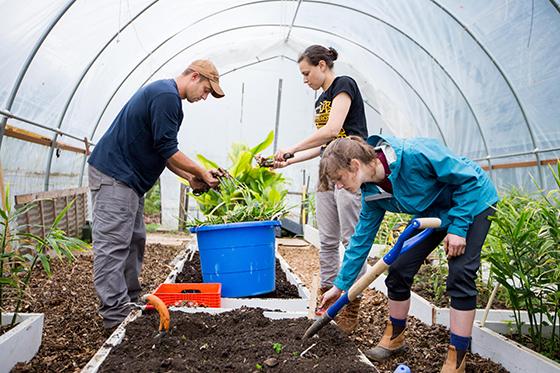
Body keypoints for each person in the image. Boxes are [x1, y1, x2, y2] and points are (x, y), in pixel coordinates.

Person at [318, 135, 498, 373]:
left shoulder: (415, 154)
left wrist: (458, 227)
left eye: (339, 178)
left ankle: (457, 358)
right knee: (400, 268)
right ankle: (395, 337)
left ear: (355, 165)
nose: (338, 186)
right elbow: (361, 240)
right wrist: (340, 286)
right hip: (435, 213)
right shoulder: (372, 192)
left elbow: (470, 180)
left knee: (461, 272)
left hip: (473, 203)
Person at [87, 59, 224, 330]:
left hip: (129, 181)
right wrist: (201, 170)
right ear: (195, 77)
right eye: (207, 90)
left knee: (134, 240)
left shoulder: (169, 99)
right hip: (115, 175)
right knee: (113, 245)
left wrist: (190, 178)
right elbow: (169, 148)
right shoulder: (166, 96)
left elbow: (163, 153)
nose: (205, 97)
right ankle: (115, 315)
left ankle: (129, 300)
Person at [273, 45, 369, 333]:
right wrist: (288, 160)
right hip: (328, 170)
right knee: (327, 239)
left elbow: (332, 130)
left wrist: (291, 146)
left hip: (350, 168)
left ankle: (352, 303)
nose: (305, 80)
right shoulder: (320, 101)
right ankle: (329, 299)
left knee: (351, 239)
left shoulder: (344, 85)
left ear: (323, 65)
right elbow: (322, 146)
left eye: (306, 73)